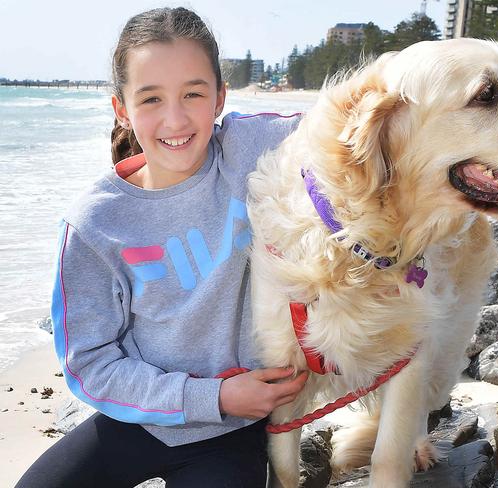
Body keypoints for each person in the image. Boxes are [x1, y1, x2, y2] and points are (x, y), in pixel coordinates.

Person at [16, 7, 307, 488]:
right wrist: (210, 397)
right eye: (150, 98)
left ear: (220, 99)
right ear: (121, 110)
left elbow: (351, 123)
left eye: (193, 93)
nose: (175, 119)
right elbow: (90, 364)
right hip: (140, 421)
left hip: (236, 431)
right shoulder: (96, 223)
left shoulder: (252, 149)